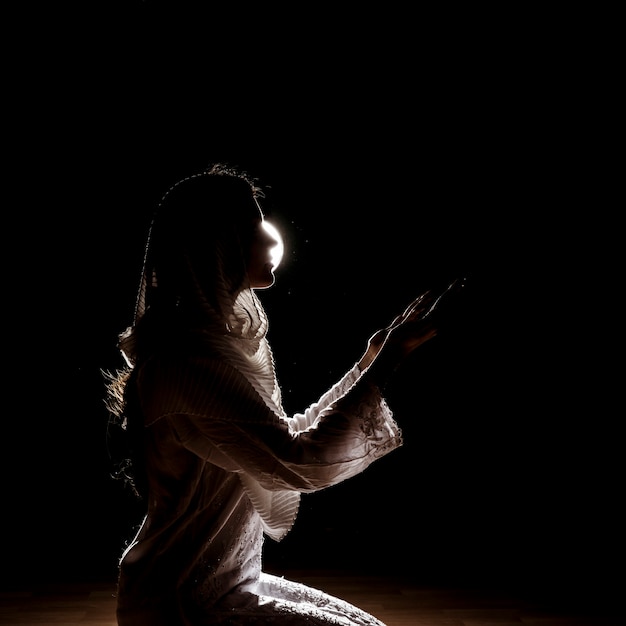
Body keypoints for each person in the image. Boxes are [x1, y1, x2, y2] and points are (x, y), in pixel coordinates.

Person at [104, 162, 464, 625]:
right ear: (218, 244)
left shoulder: (210, 348)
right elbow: (299, 464)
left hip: (222, 583)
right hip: (183, 601)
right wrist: (387, 363)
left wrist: (372, 359)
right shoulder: (188, 361)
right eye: (255, 228)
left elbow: (282, 440)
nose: (271, 240)